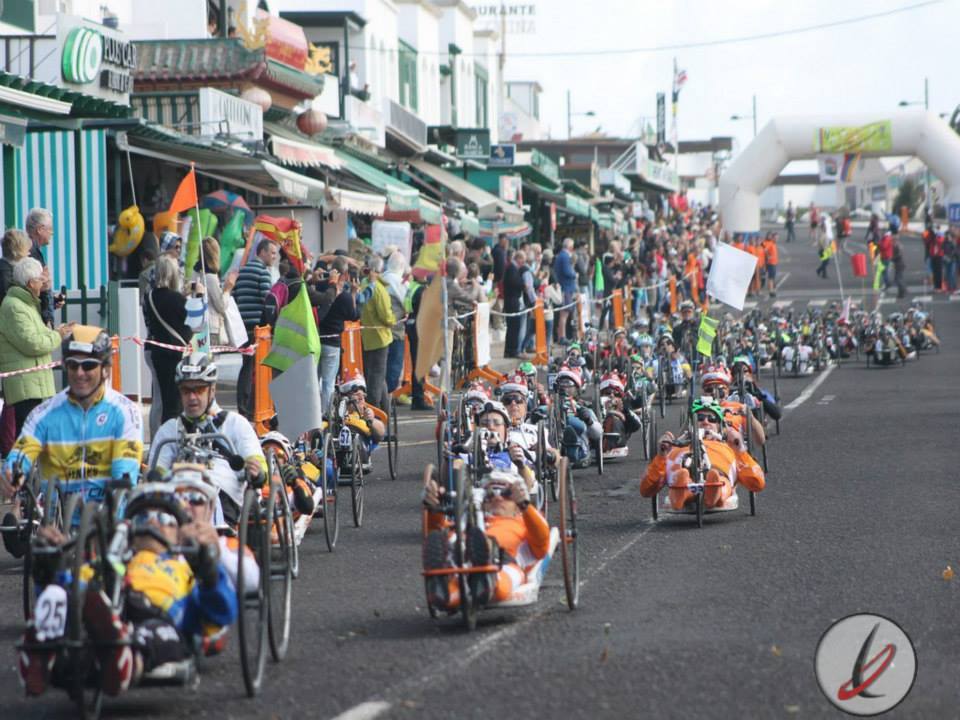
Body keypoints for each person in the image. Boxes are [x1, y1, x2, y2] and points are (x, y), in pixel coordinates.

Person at [17, 482, 236, 697]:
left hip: (157, 618)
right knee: (62, 593)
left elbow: (218, 616)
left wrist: (209, 571)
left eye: (164, 518)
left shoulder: (185, 565)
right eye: (142, 517)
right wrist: (50, 565)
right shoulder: (112, 559)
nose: (151, 522)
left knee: (161, 636)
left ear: (178, 534)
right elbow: (70, 587)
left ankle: (126, 658)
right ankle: (44, 653)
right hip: (102, 608)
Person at [1, 326, 143, 556]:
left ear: (106, 369)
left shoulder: (126, 412)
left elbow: (124, 474)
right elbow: (22, 451)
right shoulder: (44, 413)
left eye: (88, 365)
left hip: (107, 525)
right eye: (72, 365)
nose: (79, 373)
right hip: (56, 528)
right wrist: (13, 472)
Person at [148, 353, 266, 527]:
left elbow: (257, 462)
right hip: (178, 497)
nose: (192, 397)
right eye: (186, 390)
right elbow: (156, 472)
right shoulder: (169, 430)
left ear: (213, 389)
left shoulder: (235, 423)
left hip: (221, 495)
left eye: (199, 389)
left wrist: (257, 471)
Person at [422, 463, 549, 610]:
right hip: (462, 557)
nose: (497, 498)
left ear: (517, 504)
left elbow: (543, 540)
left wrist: (525, 506)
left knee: (502, 577)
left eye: (506, 493)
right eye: (489, 495)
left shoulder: (524, 522)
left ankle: (486, 577)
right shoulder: (467, 520)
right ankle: (441, 587)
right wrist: (434, 508)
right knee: (443, 538)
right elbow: (435, 530)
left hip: (504, 564)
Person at [640, 397, 765, 511]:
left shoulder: (729, 445)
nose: (705, 422)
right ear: (691, 424)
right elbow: (646, 489)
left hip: (719, 469)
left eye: (711, 419)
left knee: (719, 478)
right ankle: (682, 489)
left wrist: (740, 451)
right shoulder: (677, 445)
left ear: (719, 425)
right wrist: (662, 455)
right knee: (681, 474)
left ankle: (715, 492)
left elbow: (757, 483)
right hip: (683, 467)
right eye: (700, 418)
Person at [0, 258, 73, 436]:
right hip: (25, 384)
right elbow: (32, 344)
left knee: (36, 436)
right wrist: (58, 335)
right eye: (40, 280)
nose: (43, 283)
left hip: (33, 381)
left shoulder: (28, 304)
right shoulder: (15, 307)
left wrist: (55, 332)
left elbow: (36, 336)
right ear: (31, 283)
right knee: (27, 436)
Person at [143, 256, 192, 432]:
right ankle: (169, 434)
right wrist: (197, 295)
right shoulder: (177, 299)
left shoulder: (148, 297)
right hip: (172, 354)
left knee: (158, 397)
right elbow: (193, 322)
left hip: (154, 350)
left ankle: (157, 435)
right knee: (172, 398)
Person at [233, 239, 277, 419]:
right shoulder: (263, 273)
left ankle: (242, 405)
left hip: (242, 327)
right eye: (272, 252)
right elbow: (268, 301)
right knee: (257, 368)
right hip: (258, 329)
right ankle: (252, 407)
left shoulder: (242, 271)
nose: (274, 257)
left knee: (246, 367)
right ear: (263, 252)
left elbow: (234, 296)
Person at [316, 256, 359, 414]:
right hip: (333, 342)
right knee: (328, 382)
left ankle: (313, 413)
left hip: (316, 339)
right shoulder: (346, 297)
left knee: (314, 380)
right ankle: (326, 415)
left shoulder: (321, 288)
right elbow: (354, 315)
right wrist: (354, 293)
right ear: (346, 275)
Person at [359, 255, 396, 414]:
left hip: (366, 337)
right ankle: (376, 414)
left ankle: (385, 411)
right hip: (380, 339)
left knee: (377, 378)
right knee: (376, 379)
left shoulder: (363, 284)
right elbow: (386, 317)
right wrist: (395, 320)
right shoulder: (380, 290)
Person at [553, 364, 602, 466]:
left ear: (576, 389)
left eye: (569, 385)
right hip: (554, 427)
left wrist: (589, 420)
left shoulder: (583, 407)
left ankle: (576, 446)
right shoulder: (550, 405)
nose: (565, 388)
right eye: (562, 385)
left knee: (577, 425)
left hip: (576, 431)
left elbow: (598, 434)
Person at [337, 370, 386, 468]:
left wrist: (371, 421)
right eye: (356, 394)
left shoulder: (366, 414)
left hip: (359, 449)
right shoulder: (335, 414)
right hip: (336, 450)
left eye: (363, 396)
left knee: (357, 440)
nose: (361, 398)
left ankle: (351, 457)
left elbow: (381, 434)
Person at [199, 237, 236, 345]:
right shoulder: (210, 277)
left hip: (198, 325)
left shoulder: (197, 272)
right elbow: (221, 306)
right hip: (211, 326)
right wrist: (227, 290)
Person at [25, 207, 57, 327]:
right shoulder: (31, 253)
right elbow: (35, 287)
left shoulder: (31, 250)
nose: (52, 232)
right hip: (36, 320)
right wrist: (47, 316)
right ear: (39, 229)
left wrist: (52, 301)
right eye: (50, 228)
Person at [382, 251, 409, 398]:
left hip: (379, 332)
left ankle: (383, 399)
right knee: (394, 368)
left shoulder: (381, 279)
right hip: (396, 331)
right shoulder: (400, 282)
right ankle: (387, 396)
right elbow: (408, 305)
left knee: (381, 369)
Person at [598, 371, 641, 455]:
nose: (611, 395)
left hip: (619, 437)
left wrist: (625, 411)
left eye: (615, 393)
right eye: (608, 393)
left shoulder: (625, 405)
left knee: (613, 419)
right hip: (598, 436)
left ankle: (607, 444)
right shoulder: (597, 404)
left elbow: (636, 425)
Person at [553, 238, 578, 346]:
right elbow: (568, 272)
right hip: (566, 288)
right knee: (564, 314)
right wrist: (575, 274)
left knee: (564, 314)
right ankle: (562, 337)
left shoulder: (560, 256)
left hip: (565, 287)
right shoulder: (564, 256)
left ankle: (562, 336)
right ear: (570, 247)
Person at [0, 227, 32, 300]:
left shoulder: (6, 268)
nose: (29, 254)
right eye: (27, 250)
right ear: (18, 251)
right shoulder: (6, 274)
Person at [762, 232, 779, 298]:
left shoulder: (773, 243)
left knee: (772, 277)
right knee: (771, 278)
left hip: (774, 262)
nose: (777, 239)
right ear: (772, 238)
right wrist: (768, 256)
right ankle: (771, 291)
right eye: (775, 238)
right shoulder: (770, 243)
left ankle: (772, 290)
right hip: (771, 263)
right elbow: (764, 248)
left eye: (777, 238)